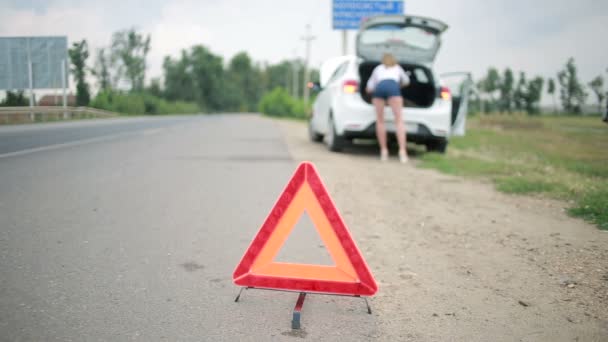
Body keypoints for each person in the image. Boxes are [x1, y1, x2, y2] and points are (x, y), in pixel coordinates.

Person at [365, 53, 410, 163]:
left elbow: (370, 87)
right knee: (399, 120)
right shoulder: (397, 68)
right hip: (393, 88)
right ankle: (402, 151)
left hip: (379, 88)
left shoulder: (378, 69)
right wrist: (398, 86)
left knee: (380, 121)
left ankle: (384, 151)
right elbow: (406, 81)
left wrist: (368, 91)